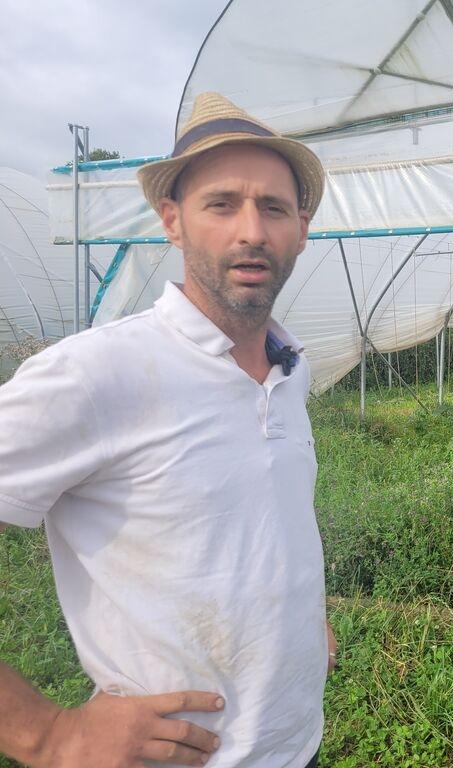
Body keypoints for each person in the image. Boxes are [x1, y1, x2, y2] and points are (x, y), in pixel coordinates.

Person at [0, 92, 336, 768]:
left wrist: (298, 622)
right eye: (221, 204)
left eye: (273, 207)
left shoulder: (289, 368)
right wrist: (49, 734)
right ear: (172, 222)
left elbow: (261, 520)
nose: (251, 231)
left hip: (295, 748)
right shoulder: (98, 374)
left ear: (300, 230)